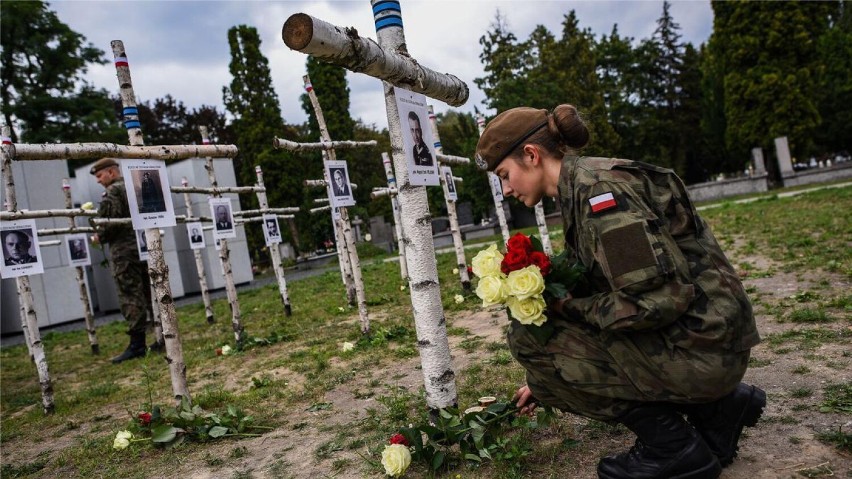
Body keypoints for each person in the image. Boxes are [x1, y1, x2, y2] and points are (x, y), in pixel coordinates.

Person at [476, 105, 764, 479]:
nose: (507, 189)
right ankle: (717, 412)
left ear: (531, 155)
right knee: (549, 344)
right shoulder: (587, 182)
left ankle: (672, 448)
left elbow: (656, 301)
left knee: (532, 341)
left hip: (705, 351)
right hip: (712, 340)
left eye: (505, 175)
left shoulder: (599, 195)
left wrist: (566, 317)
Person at [89, 158, 158, 363]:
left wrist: (98, 236)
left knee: (130, 294)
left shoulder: (113, 192)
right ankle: (161, 335)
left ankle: (137, 344)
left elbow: (109, 224)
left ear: (111, 172)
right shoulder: (134, 187)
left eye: (100, 176)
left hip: (124, 252)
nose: (98, 181)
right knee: (148, 291)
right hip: (142, 246)